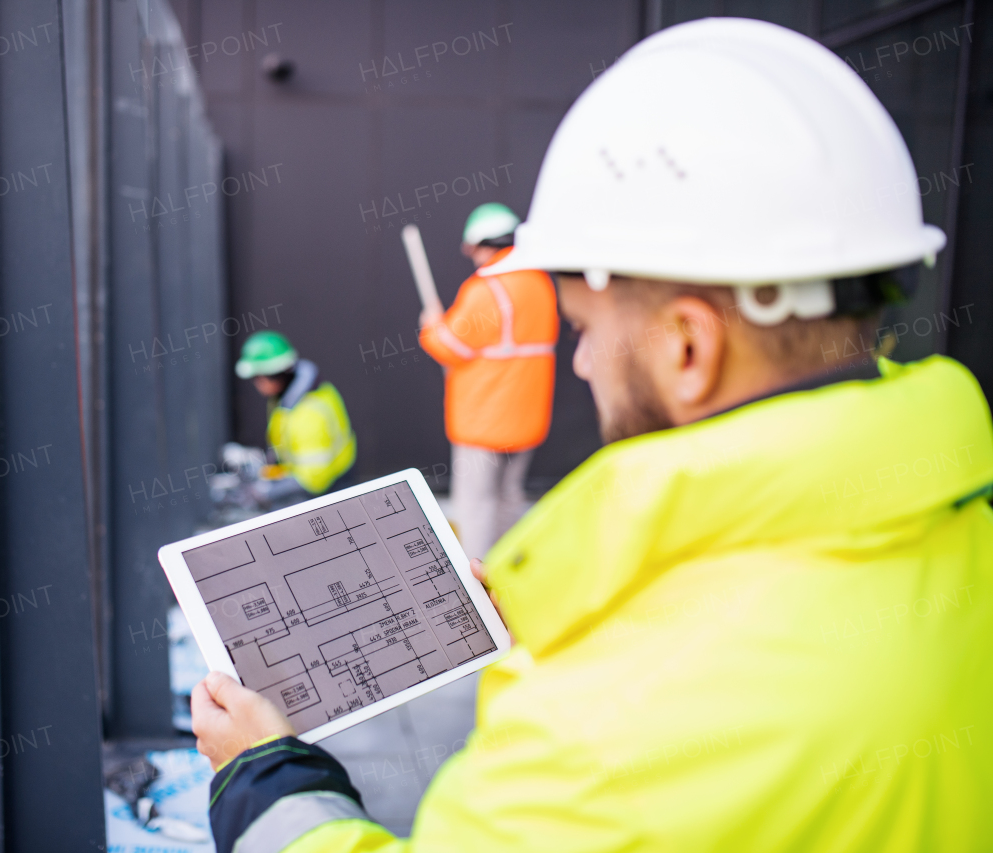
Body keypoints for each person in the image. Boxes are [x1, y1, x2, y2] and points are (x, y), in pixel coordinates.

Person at [193, 18, 993, 853]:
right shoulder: (967, 533)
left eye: (587, 329)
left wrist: (265, 774)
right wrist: (562, 606)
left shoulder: (597, 737)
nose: (582, 364)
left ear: (689, 348)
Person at [418, 202, 558, 559]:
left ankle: (477, 584)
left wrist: (432, 325)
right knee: (509, 498)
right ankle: (510, 576)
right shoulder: (541, 283)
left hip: (484, 422)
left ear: (481, 243)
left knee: (476, 507)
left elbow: (450, 346)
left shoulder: (486, 289)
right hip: (526, 419)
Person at [234, 330, 356, 503]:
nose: (257, 384)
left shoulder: (308, 414)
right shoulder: (288, 397)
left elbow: (313, 479)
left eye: (258, 378)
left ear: (275, 374)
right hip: (320, 477)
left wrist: (266, 492)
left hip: (329, 489)